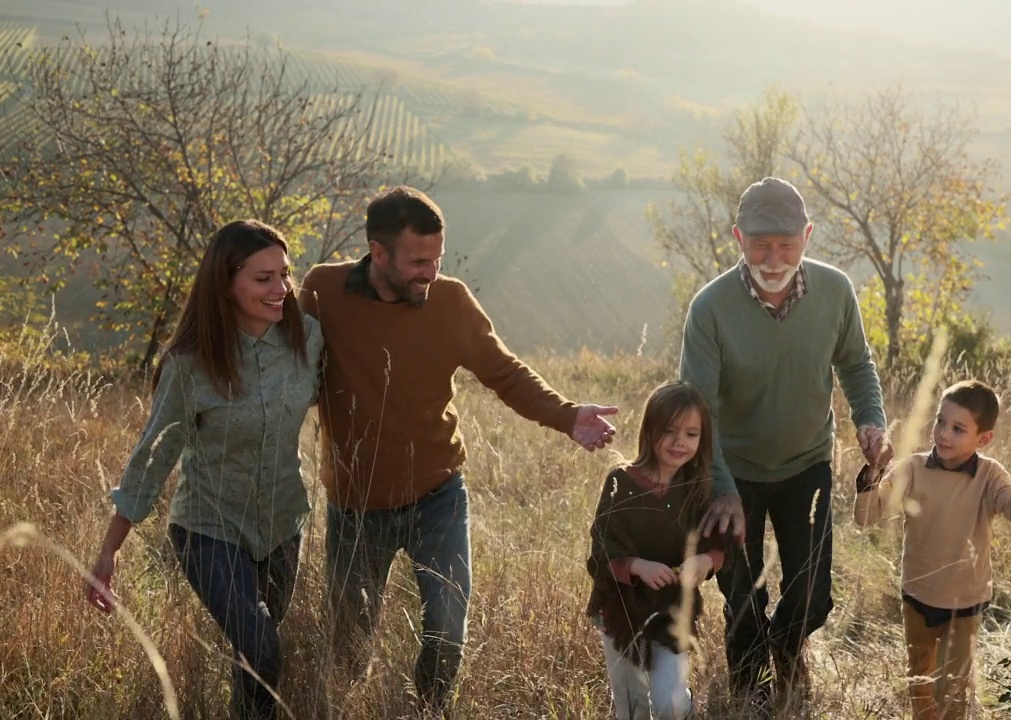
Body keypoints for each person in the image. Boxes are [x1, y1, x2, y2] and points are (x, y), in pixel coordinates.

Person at [299, 185, 619, 712]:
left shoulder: (449, 302)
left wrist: (567, 415)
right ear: (378, 252)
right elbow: (285, 362)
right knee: (349, 643)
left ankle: (430, 709)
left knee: (448, 625)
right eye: (418, 261)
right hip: (355, 503)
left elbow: (505, 372)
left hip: (437, 495)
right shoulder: (323, 291)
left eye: (437, 259)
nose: (431, 272)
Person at [87, 220, 323, 719]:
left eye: (284, 274)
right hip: (208, 528)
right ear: (226, 283)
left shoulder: (307, 339)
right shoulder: (190, 364)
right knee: (260, 646)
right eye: (263, 278)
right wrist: (109, 552)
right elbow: (152, 456)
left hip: (283, 524)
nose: (280, 289)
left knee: (255, 655)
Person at [679, 176, 892, 703]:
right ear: (738, 238)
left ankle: (788, 646)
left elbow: (856, 362)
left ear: (808, 237)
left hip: (807, 464)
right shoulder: (709, 309)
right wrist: (721, 486)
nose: (773, 258)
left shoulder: (836, 291)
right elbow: (697, 413)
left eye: (786, 245)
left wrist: (870, 419)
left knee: (814, 596)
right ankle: (749, 691)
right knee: (742, 593)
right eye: (760, 244)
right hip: (734, 471)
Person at [854, 380, 1011, 719]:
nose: (944, 434)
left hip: (965, 604)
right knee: (919, 679)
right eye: (940, 422)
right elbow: (865, 516)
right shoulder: (913, 469)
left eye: (958, 429)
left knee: (951, 688)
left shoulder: (989, 475)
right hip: (917, 596)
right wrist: (874, 470)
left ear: (984, 438)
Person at [586, 381, 737, 720]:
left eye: (691, 433)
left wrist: (706, 561)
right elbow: (601, 546)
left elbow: (722, 544)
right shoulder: (621, 482)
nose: (679, 442)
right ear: (649, 429)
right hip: (621, 611)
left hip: (672, 612)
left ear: (703, 439)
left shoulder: (699, 489)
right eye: (668, 430)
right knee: (632, 706)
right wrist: (638, 566)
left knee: (671, 703)